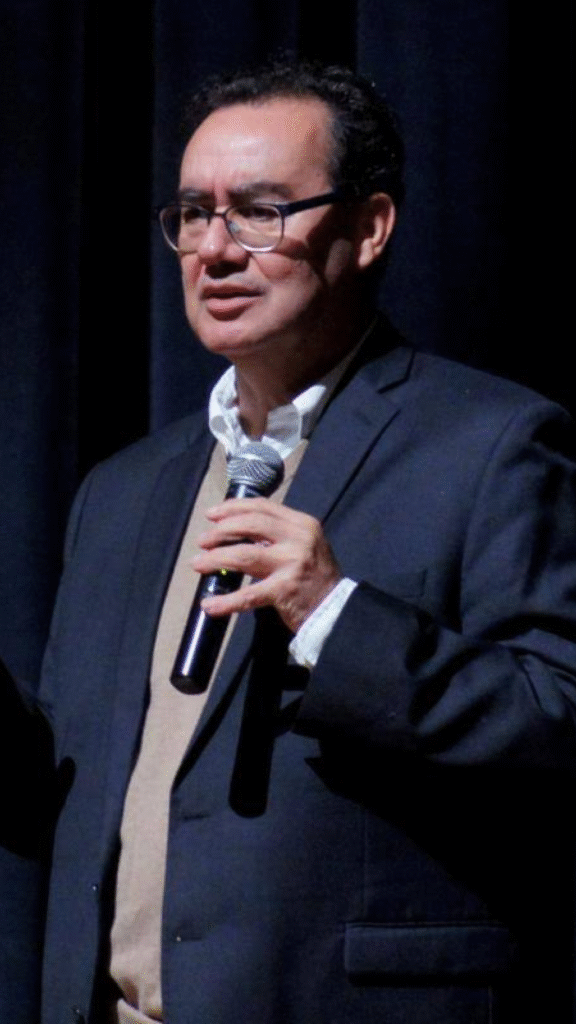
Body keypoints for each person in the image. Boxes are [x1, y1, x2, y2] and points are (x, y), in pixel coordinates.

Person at [4, 59, 576, 1024]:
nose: (214, 249)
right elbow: (67, 803)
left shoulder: (491, 445)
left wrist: (337, 617)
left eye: (260, 212)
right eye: (194, 214)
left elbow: (556, 721)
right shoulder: (123, 490)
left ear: (370, 227)